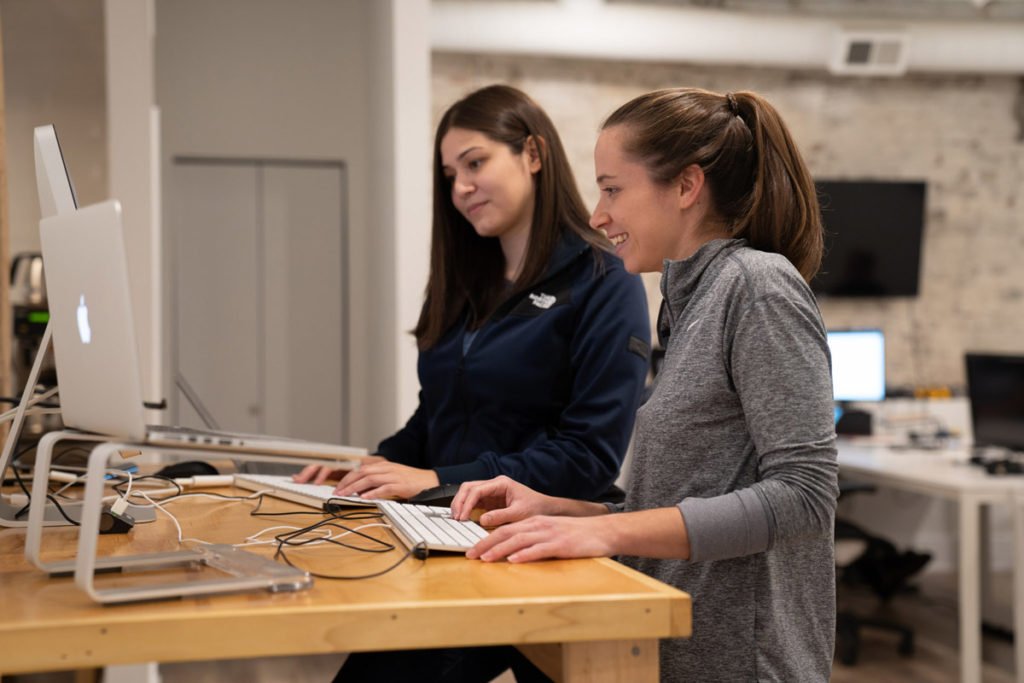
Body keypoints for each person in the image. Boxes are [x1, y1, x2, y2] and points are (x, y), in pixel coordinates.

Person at [452, 88, 840, 682]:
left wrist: (605, 529)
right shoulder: (692, 301)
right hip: (678, 649)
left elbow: (805, 496)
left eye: (612, 189)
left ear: (686, 186)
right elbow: (686, 500)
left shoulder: (758, 288)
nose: (599, 215)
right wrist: (566, 511)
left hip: (743, 665)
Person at [299, 84, 650, 682]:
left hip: (540, 550)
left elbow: (588, 457)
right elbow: (436, 416)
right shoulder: (466, 283)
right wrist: (372, 469)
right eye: (449, 172)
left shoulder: (603, 280)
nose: (460, 186)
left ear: (533, 155)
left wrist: (436, 479)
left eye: (475, 162)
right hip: (446, 538)